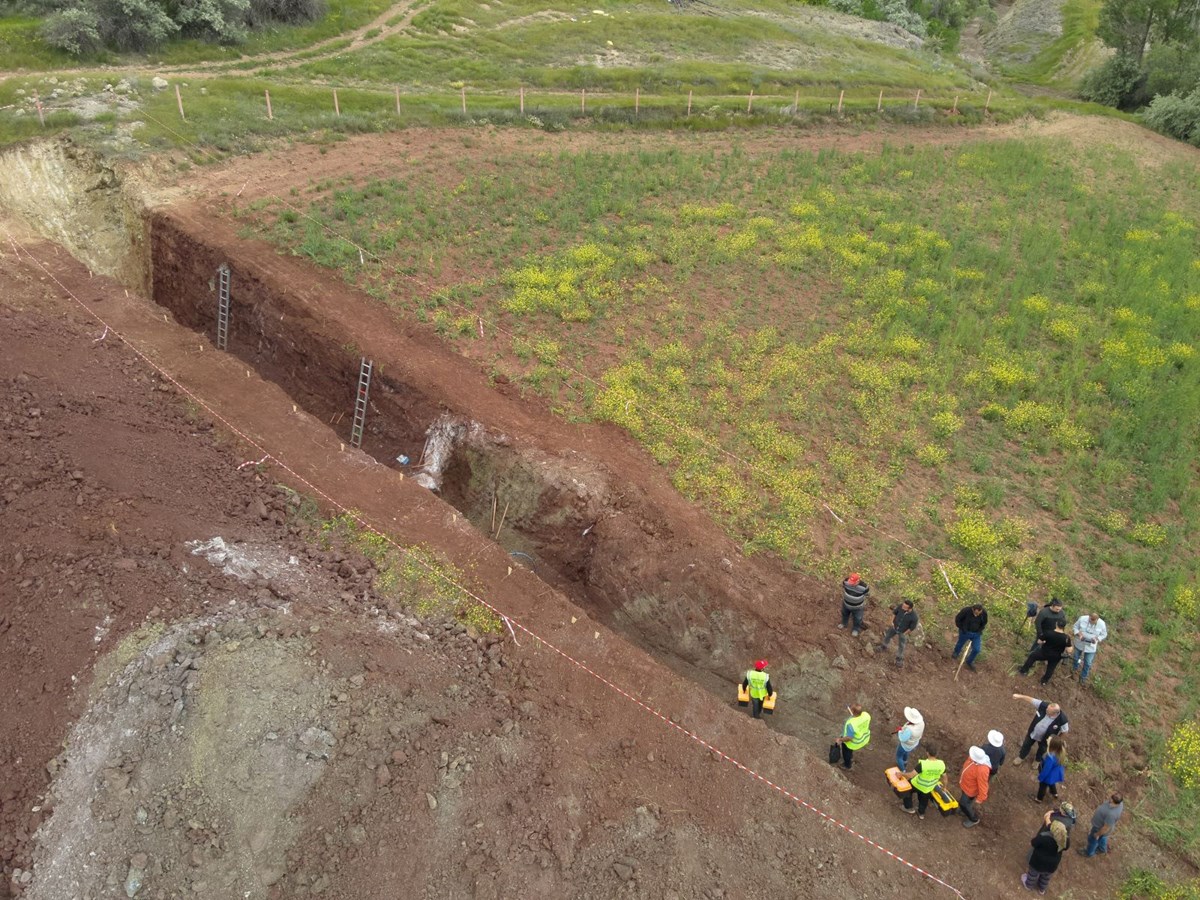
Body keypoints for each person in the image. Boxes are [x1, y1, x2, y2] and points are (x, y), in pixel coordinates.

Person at [1011, 695, 1069, 765]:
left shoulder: (1062, 720)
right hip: (1033, 733)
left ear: (1055, 713)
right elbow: (1032, 700)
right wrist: (1020, 696)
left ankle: (1037, 760)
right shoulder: (1044, 706)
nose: (1046, 710)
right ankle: (1021, 757)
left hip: (1046, 739)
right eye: (1047, 708)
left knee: (1042, 750)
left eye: (1048, 711)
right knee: (1026, 744)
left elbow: (1065, 731)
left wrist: (1057, 740)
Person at [1023, 809, 1070, 894]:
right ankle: (1042, 889)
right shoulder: (1065, 840)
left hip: (1038, 862)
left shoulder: (1044, 837)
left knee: (1033, 874)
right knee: (1046, 877)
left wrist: (1048, 815)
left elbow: (1034, 843)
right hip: (1052, 865)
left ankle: (1028, 885)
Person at [901, 745, 945, 819]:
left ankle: (908, 808)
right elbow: (945, 777)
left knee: (906, 789)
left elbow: (911, 775)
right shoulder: (941, 764)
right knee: (924, 799)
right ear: (937, 754)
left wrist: (901, 774)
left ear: (927, 753)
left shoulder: (923, 764)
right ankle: (921, 814)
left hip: (917, 784)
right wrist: (945, 787)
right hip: (928, 787)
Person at [1080, 793, 1124, 857]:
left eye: (1111, 798)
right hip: (1104, 829)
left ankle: (1089, 853)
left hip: (1099, 829)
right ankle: (1102, 849)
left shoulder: (1112, 815)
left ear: (1112, 801)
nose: (1109, 798)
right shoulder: (1120, 803)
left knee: (1093, 840)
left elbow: (1105, 828)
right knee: (1103, 838)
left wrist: (1097, 834)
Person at [1071, 612, 1108, 684]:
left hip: (1091, 646)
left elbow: (1104, 634)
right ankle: (1074, 669)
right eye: (1090, 620)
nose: (1091, 622)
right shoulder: (1082, 618)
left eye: (1093, 621)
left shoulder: (1102, 624)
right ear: (1089, 617)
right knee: (1076, 657)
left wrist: (1097, 639)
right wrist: (1079, 634)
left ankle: (1083, 676)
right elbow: (1075, 627)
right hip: (1080, 642)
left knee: (1088, 662)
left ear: (1097, 619)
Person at [879, 600, 919, 667]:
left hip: (903, 632)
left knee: (901, 645)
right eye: (903, 605)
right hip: (894, 627)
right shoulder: (901, 606)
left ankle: (899, 659)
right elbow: (895, 613)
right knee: (887, 636)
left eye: (905, 607)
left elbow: (912, 628)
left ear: (910, 608)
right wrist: (891, 622)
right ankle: (883, 646)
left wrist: (905, 633)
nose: (902, 607)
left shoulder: (914, 617)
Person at [959, 746, 991, 828]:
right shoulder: (973, 759)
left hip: (970, 790)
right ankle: (964, 809)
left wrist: (981, 798)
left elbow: (983, 785)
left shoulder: (982, 770)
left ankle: (974, 819)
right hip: (966, 785)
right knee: (965, 802)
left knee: (963, 803)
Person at [952, 603, 988, 671]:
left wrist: (979, 630)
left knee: (977, 649)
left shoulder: (984, 613)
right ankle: (956, 653)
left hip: (976, 634)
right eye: (976, 613)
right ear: (973, 609)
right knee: (960, 643)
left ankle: (969, 661)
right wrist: (962, 629)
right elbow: (958, 619)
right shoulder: (966, 611)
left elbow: (984, 622)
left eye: (979, 613)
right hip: (965, 632)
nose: (977, 615)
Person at [835, 703, 871, 770]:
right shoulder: (866, 715)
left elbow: (849, 738)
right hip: (864, 738)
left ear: (853, 712)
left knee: (846, 753)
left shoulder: (851, 724)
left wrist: (840, 739)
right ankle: (850, 758)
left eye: (850, 709)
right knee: (850, 752)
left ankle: (847, 765)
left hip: (853, 742)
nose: (848, 710)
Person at [1036, 737, 1066, 802]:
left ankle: (1039, 799)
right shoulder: (1059, 753)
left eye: (1048, 740)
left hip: (1048, 775)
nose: (1047, 740)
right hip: (1055, 774)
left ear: (1052, 744)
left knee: (1042, 786)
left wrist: (1041, 777)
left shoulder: (1050, 757)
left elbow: (1046, 770)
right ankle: (1054, 793)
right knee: (1051, 782)